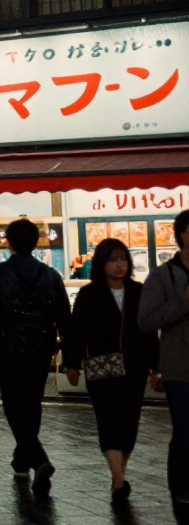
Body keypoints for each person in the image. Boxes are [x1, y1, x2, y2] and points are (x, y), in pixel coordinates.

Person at [0, 218, 71, 496]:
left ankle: (38, 460)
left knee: (14, 407)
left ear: (8, 242)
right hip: (42, 347)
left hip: (11, 347)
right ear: (37, 241)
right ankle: (21, 460)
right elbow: (64, 316)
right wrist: (71, 355)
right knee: (32, 403)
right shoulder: (50, 275)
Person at [63, 238, 160, 504]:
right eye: (113, 260)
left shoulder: (139, 291)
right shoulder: (89, 294)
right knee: (108, 419)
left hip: (135, 366)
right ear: (102, 263)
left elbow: (150, 331)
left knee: (129, 421)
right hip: (102, 367)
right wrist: (71, 364)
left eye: (123, 259)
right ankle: (118, 478)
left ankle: (119, 476)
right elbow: (76, 333)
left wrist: (156, 366)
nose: (119, 265)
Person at [137, 208, 189, 512]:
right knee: (184, 431)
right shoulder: (162, 276)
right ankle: (181, 488)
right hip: (179, 367)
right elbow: (146, 320)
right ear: (182, 233)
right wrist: (181, 304)